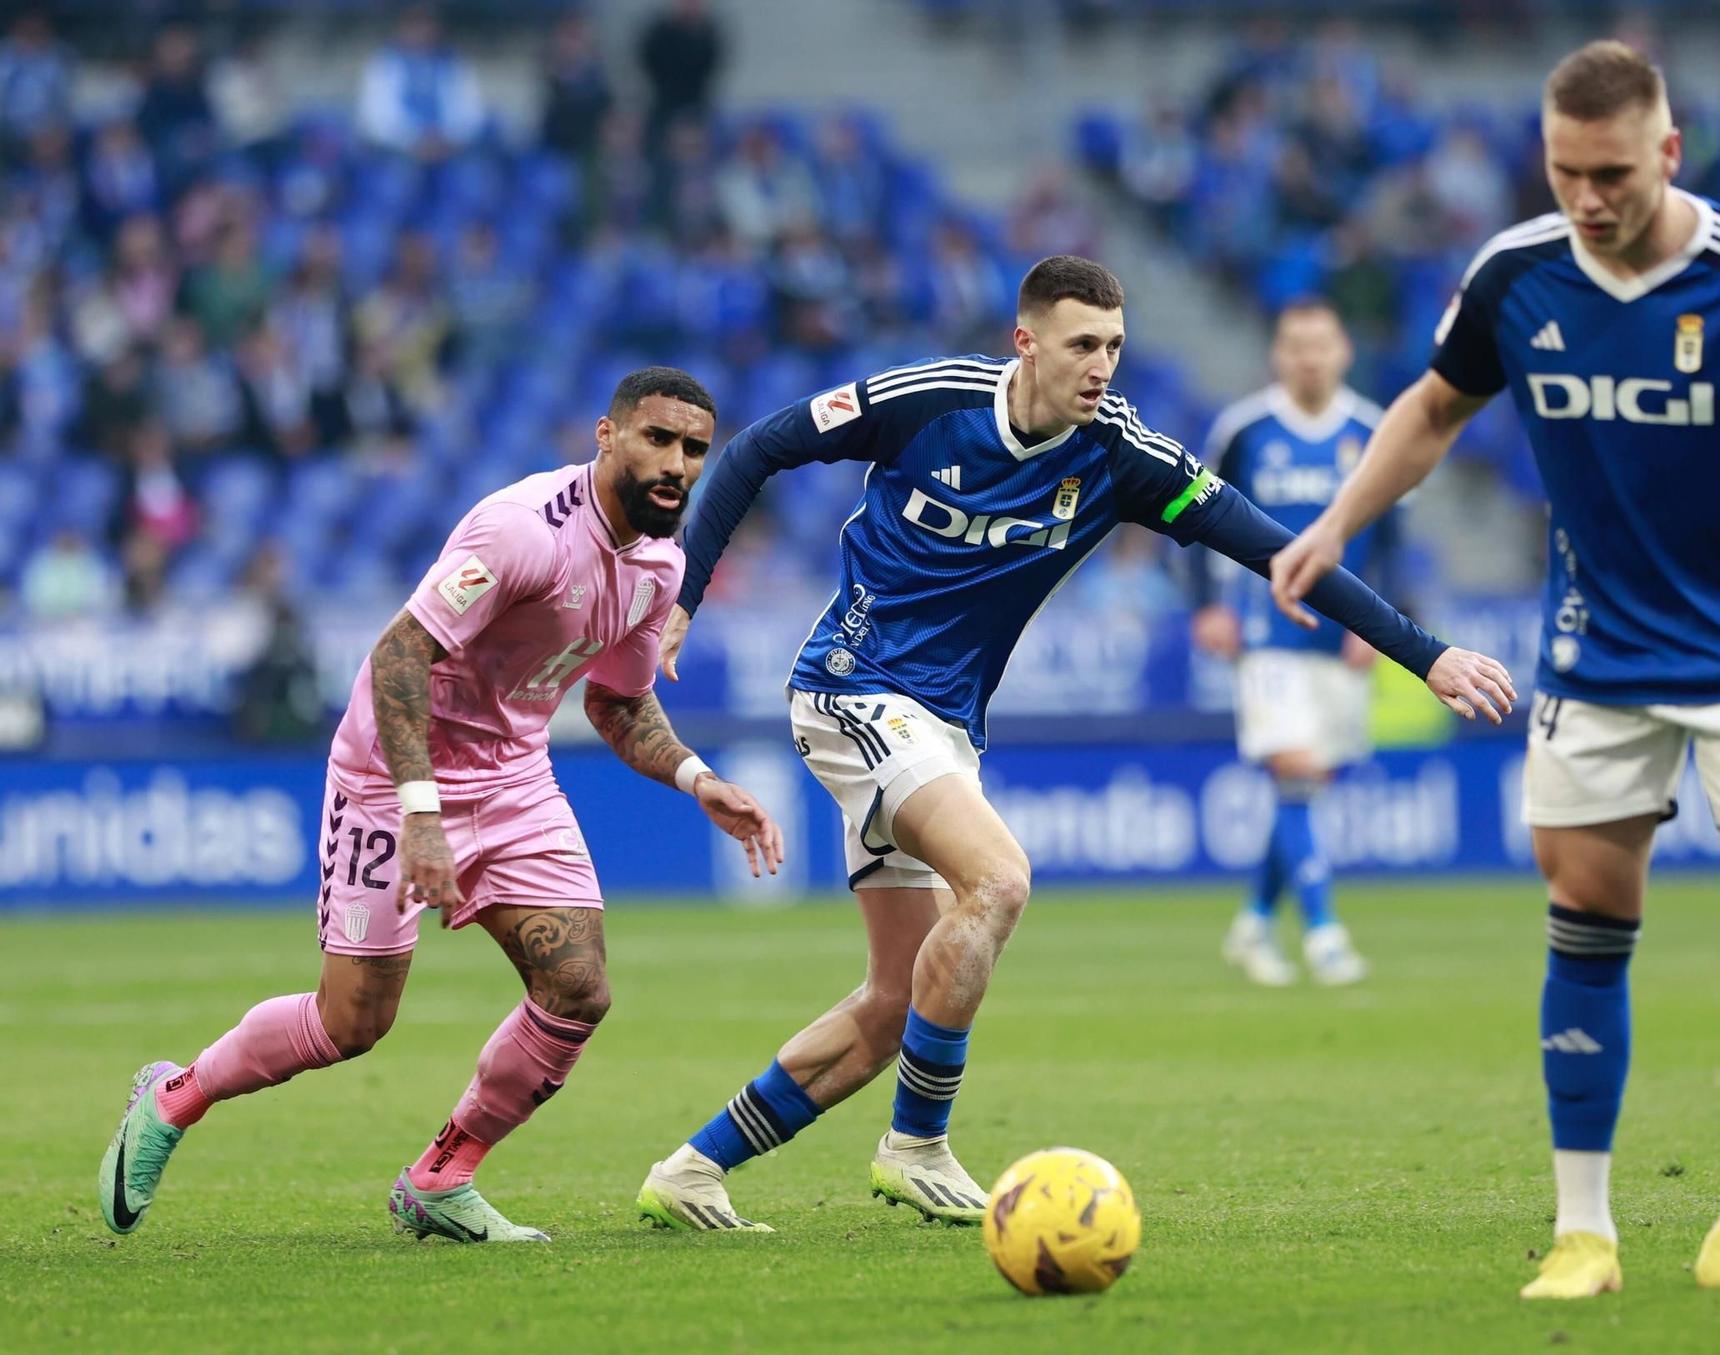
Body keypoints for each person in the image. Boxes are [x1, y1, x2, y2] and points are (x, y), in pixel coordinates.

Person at [637, 255, 1515, 1231]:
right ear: (1025, 342)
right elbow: (758, 445)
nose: (1100, 365)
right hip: (851, 689)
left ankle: (691, 1168)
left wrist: (1423, 655)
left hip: (941, 728)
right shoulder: (927, 400)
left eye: (1113, 345)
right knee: (999, 879)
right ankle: (915, 1145)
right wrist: (681, 594)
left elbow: (1280, 550)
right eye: (1080, 344)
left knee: (895, 999)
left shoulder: (1124, 456)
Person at [1269, 42, 1720, 1300]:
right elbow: (1426, 408)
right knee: (1584, 921)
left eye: (1612, 172)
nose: (1586, 197)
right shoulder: (1513, 272)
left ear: (1668, 153)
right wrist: (1334, 523)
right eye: (1565, 170)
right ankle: (1584, 1228)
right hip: (1598, 649)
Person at [99, 369, 783, 1243]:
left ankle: (441, 1174)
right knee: (353, 1021)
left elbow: (616, 700)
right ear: (606, 435)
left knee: (577, 988)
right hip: (393, 774)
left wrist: (695, 777)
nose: (678, 464)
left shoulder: (659, 563)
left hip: (511, 777)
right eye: (658, 439)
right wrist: (419, 815)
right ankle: (175, 1095)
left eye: (694, 448)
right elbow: (399, 655)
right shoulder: (519, 532)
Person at [1194, 298, 1385, 987]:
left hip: (1342, 635)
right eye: (1296, 344)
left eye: (1320, 344)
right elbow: (1194, 512)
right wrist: (1209, 605)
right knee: (1297, 770)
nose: (1309, 356)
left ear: (1343, 352)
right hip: (1266, 632)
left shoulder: (1372, 429)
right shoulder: (1245, 429)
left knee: (1307, 785)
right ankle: (1326, 934)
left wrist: (1383, 623)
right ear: (1278, 353)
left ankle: (1252, 922)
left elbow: (1390, 534)